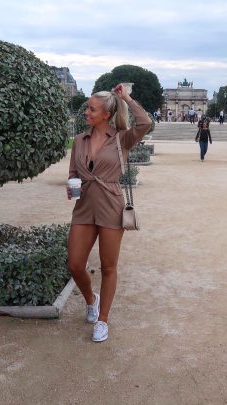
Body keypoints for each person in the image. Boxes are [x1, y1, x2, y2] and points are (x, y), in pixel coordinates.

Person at [67, 84, 152, 342]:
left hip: (110, 206)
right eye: (87, 108)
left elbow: (145, 123)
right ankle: (91, 299)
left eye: (91, 109)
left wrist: (126, 97)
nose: (86, 112)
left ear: (106, 114)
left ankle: (102, 320)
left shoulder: (121, 138)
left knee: (108, 266)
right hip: (84, 206)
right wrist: (71, 187)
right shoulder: (79, 141)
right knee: (75, 264)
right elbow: (73, 173)